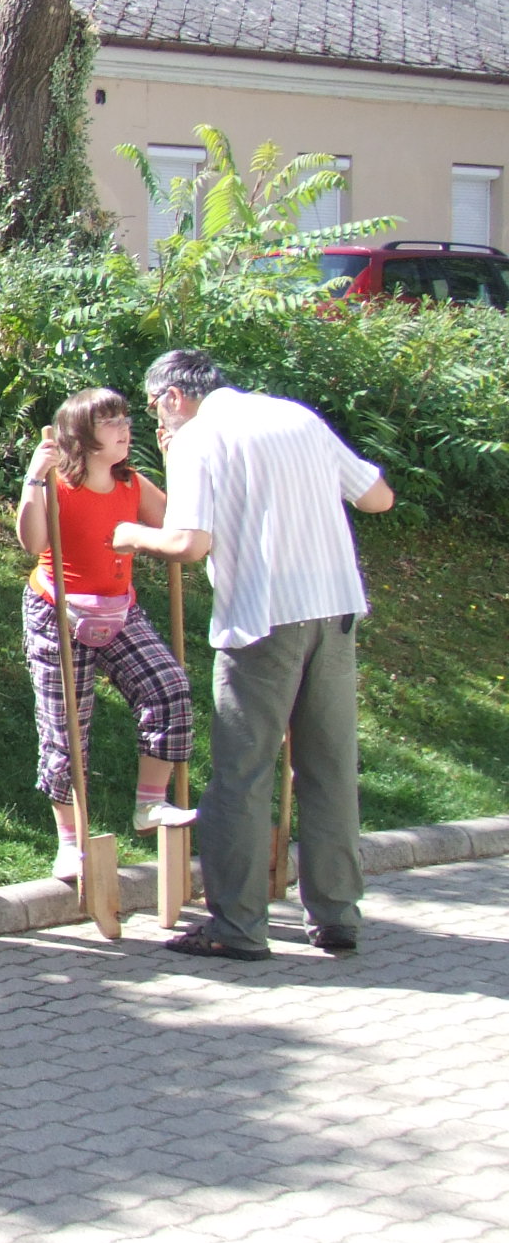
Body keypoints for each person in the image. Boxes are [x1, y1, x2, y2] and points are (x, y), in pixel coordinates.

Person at [112, 349, 394, 961]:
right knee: (328, 770)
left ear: (173, 397)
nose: (158, 421)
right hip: (335, 610)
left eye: (155, 407)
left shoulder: (198, 437)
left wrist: (130, 534)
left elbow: (189, 542)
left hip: (262, 619)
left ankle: (237, 927)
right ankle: (337, 915)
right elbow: (377, 498)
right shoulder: (296, 416)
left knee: (242, 775)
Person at [13, 388, 198, 884]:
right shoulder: (56, 484)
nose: (124, 428)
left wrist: (181, 466)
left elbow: (177, 524)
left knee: (168, 686)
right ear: (80, 435)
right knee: (66, 729)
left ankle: (150, 804)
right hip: (57, 611)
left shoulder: (132, 483)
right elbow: (32, 542)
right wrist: (34, 478)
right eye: (110, 421)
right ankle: (69, 843)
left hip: (119, 609)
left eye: (125, 419)